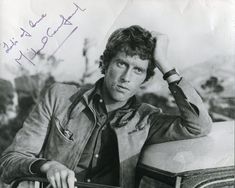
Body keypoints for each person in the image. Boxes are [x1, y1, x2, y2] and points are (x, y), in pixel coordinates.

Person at [0, 25, 212, 188]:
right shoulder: (59, 97)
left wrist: (163, 63)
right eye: (121, 64)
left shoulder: (146, 119)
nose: (126, 77)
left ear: (145, 79)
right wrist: (48, 166)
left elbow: (199, 126)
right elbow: (9, 161)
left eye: (138, 70)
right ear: (105, 64)